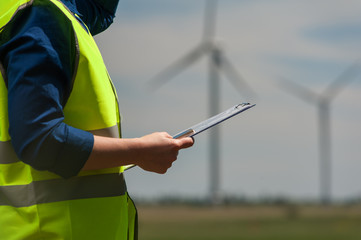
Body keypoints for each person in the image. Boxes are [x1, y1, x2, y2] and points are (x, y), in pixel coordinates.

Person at [0, 0, 194, 239]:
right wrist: (139, 151)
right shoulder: (40, 17)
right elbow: (40, 140)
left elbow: (99, 10)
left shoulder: (24, 13)